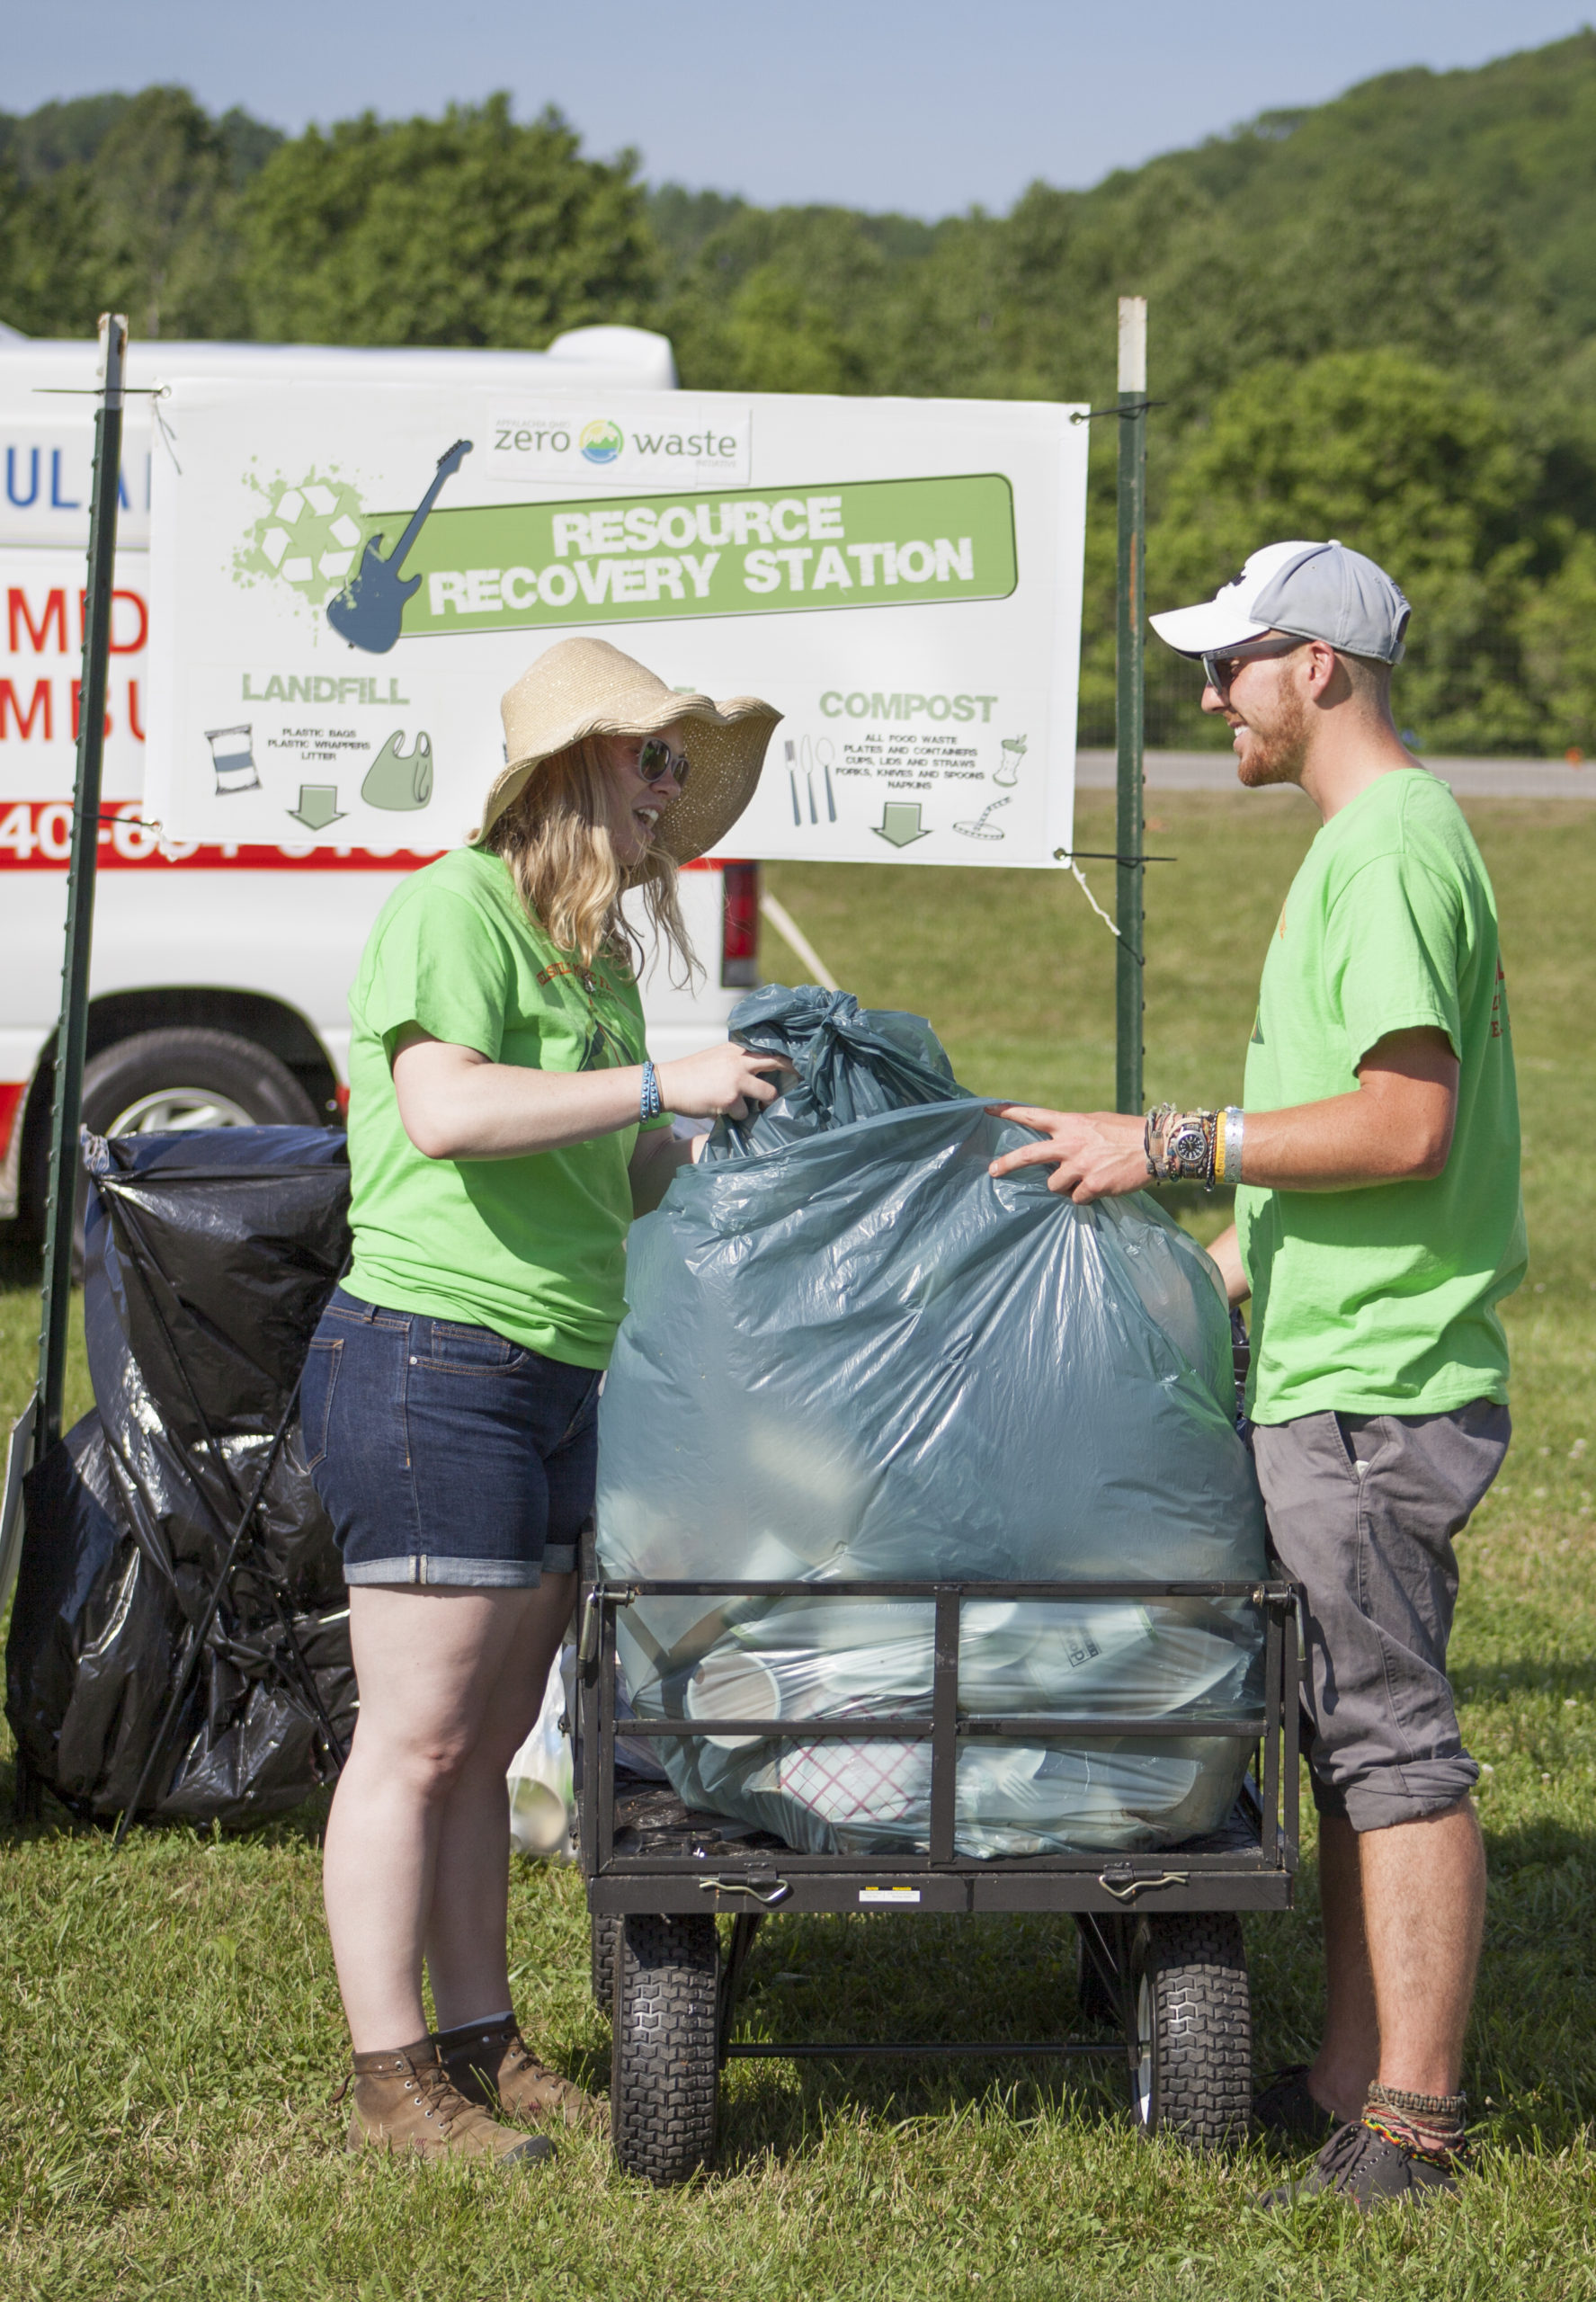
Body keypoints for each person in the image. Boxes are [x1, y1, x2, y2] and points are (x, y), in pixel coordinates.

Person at [988, 540, 1524, 2209]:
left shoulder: (1390, 854)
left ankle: (1417, 2130)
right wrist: (1199, 1280)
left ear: (1324, 669)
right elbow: (1331, 1152)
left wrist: (1168, 1147)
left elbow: (1404, 1124)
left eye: (1232, 664)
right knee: (1351, 1740)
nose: (1208, 693)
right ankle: (1351, 2080)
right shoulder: (1366, 846)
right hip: (1328, 1359)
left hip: (1375, 1390)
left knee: (1394, 1748)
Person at [302, 637, 788, 2167]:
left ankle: (480, 2041)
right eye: (651, 761)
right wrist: (662, 1089)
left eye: (677, 768)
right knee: (418, 1738)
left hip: (561, 1367)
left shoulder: (587, 951)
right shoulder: (451, 907)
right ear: (574, 768)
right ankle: (392, 2079)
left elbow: (620, 1165)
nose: (667, 795)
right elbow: (446, 1111)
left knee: (495, 1731)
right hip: (434, 1360)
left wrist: (752, 1143)